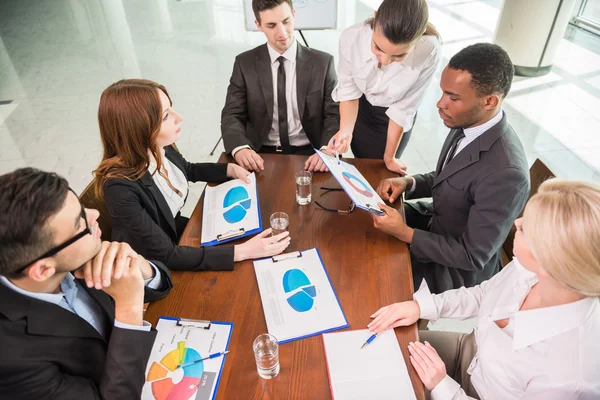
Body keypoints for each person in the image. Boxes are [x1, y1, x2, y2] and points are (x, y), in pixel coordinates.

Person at [367, 179, 600, 399]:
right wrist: (421, 307)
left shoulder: (570, 376)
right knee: (380, 351)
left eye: (526, 228)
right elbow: (484, 294)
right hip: (470, 351)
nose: (516, 222)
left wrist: (441, 385)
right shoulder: (527, 268)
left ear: (550, 262)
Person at [0, 168, 173, 399]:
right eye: (80, 223)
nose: (94, 214)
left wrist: (141, 268)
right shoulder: (11, 360)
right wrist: (129, 310)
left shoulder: (70, 253)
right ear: (43, 270)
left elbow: (163, 285)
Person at [371, 43, 529, 293]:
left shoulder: (507, 174)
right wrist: (409, 183)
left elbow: (471, 255)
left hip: (454, 269)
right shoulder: (469, 121)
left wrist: (406, 234)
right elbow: (452, 176)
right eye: (443, 92)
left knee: (372, 278)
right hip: (436, 223)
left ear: (489, 101)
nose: (440, 104)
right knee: (364, 225)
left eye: (453, 98)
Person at [94, 79, 291, 272]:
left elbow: (187, 170)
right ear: (137, 128)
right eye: (165, 116)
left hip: (178, 237)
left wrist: (228, 170)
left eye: (171, 109)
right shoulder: (119, 187)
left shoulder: (160, 146)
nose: (179, 117)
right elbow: (167, 255)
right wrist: (242, 252)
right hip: (152, 267)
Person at [221, 0, 339, 173]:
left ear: (294, 15)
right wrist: (240, 148)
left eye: (286, 21)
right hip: (259, 153)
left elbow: (334, 114)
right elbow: (232, 114)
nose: (282, 32)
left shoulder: (323, 63)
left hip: (311, 153)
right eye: (271, 25)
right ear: (258, 25)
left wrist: (326, 150)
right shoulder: (244, 63)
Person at [328, 0, 441, 175]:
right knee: (363, 166)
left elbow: (403, 109)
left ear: (418, 37)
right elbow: (349, 91)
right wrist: (346, 131)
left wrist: (390, 158)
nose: (385, 61)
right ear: (375, 18)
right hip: (359, 110)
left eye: (399, 55)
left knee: (382, 172)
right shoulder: (352, 38)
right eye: (378, 48)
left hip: (394, 119)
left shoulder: (429, 49)